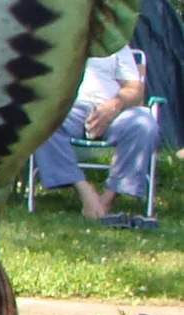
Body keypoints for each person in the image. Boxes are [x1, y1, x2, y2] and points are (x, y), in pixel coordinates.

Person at [35, 46, 162, 225]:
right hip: (68, 109)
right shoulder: (61, 34)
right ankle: (85, 191)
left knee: (143, 124)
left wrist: (114, 106)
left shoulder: (115, 42)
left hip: (113, 109)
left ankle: (107, 199)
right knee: (41, 120)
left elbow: (135, 88)